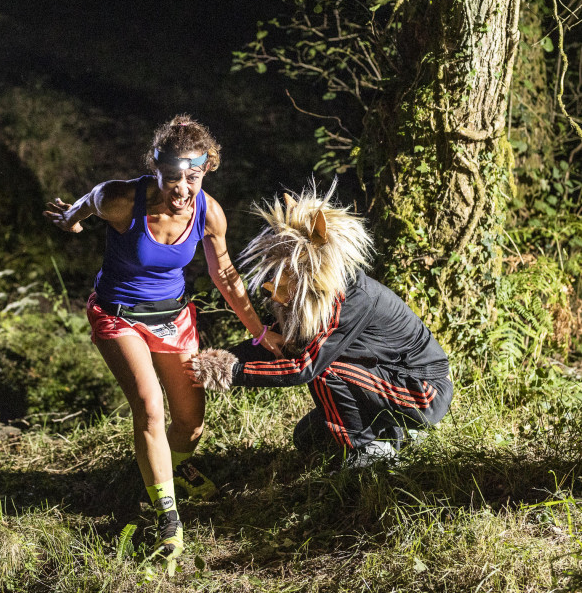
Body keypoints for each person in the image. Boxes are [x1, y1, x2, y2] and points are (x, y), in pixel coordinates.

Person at [44, 115, 286, 569]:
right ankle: (168, 520)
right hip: (119, 317)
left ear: (206, 170)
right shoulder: (122, 199)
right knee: (150, 405)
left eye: (191, 177)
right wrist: (71, 220)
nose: (180, 188)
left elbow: (226, 276)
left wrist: (259, 330)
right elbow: (88, 201)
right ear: (154, 168)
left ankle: (164, 468)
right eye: (171, 177)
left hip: (173, 318)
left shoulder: (209, 213)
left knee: (191, 424)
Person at [185, 180, 453, 468]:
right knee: (308, 439)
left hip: (422, 391)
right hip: (383, 378)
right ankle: (396, 433)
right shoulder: (311, 301)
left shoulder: (352, 298)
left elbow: (304, 367)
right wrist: (210, 361)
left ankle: (367, 451)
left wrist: (230, 371)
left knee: (325, 369)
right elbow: (276, 346)